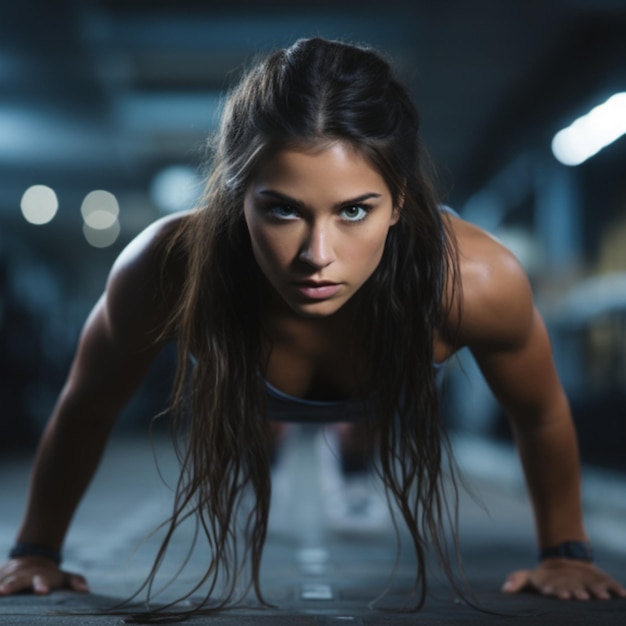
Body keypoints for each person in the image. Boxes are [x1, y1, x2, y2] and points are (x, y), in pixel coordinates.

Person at [0, 37, 624, 620]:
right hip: (247, 370)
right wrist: (35, 553)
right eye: (282, 210)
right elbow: (87, 406)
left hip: (390, 347)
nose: (316, 254)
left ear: (401, 199)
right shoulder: (165, 269)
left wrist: (566, 553)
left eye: (354, 210)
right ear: (237, 195)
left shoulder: (473, 281)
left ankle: (348, 467)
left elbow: (539, 412)